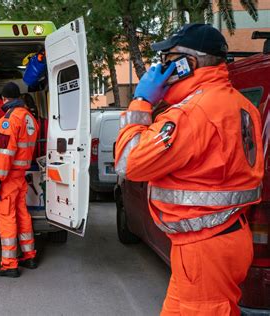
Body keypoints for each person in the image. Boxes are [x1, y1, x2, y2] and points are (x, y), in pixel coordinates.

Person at [115, 23, 263, 315]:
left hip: (204, 247)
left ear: (188, 64)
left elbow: (129, 164)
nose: (161, 67)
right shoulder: (242, 105)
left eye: (168, 60)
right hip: (225, 237)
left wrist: (142, 102)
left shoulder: (192, 113)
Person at [0, 82, 39, 277]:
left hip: (8, 177)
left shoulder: (8, 120)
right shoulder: (29, 118)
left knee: (6, 218)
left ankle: (9, 264)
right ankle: (29, 255)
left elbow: (3, 153)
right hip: (21, 175)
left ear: (4, 99)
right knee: (22, 214)